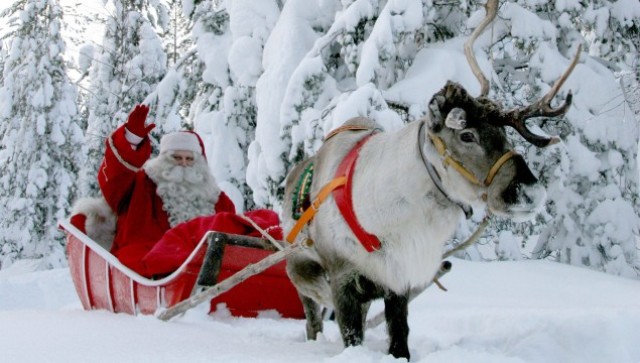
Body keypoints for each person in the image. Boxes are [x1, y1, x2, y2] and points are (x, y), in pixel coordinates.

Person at [76, 104, 282, 276]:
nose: (183, 164)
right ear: (163, 159)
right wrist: (130, 140)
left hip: (202, 261)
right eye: (176, 158)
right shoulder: (140, 184)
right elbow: (115, 179)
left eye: (190, 159)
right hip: (147, 255)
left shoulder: (215, 196)